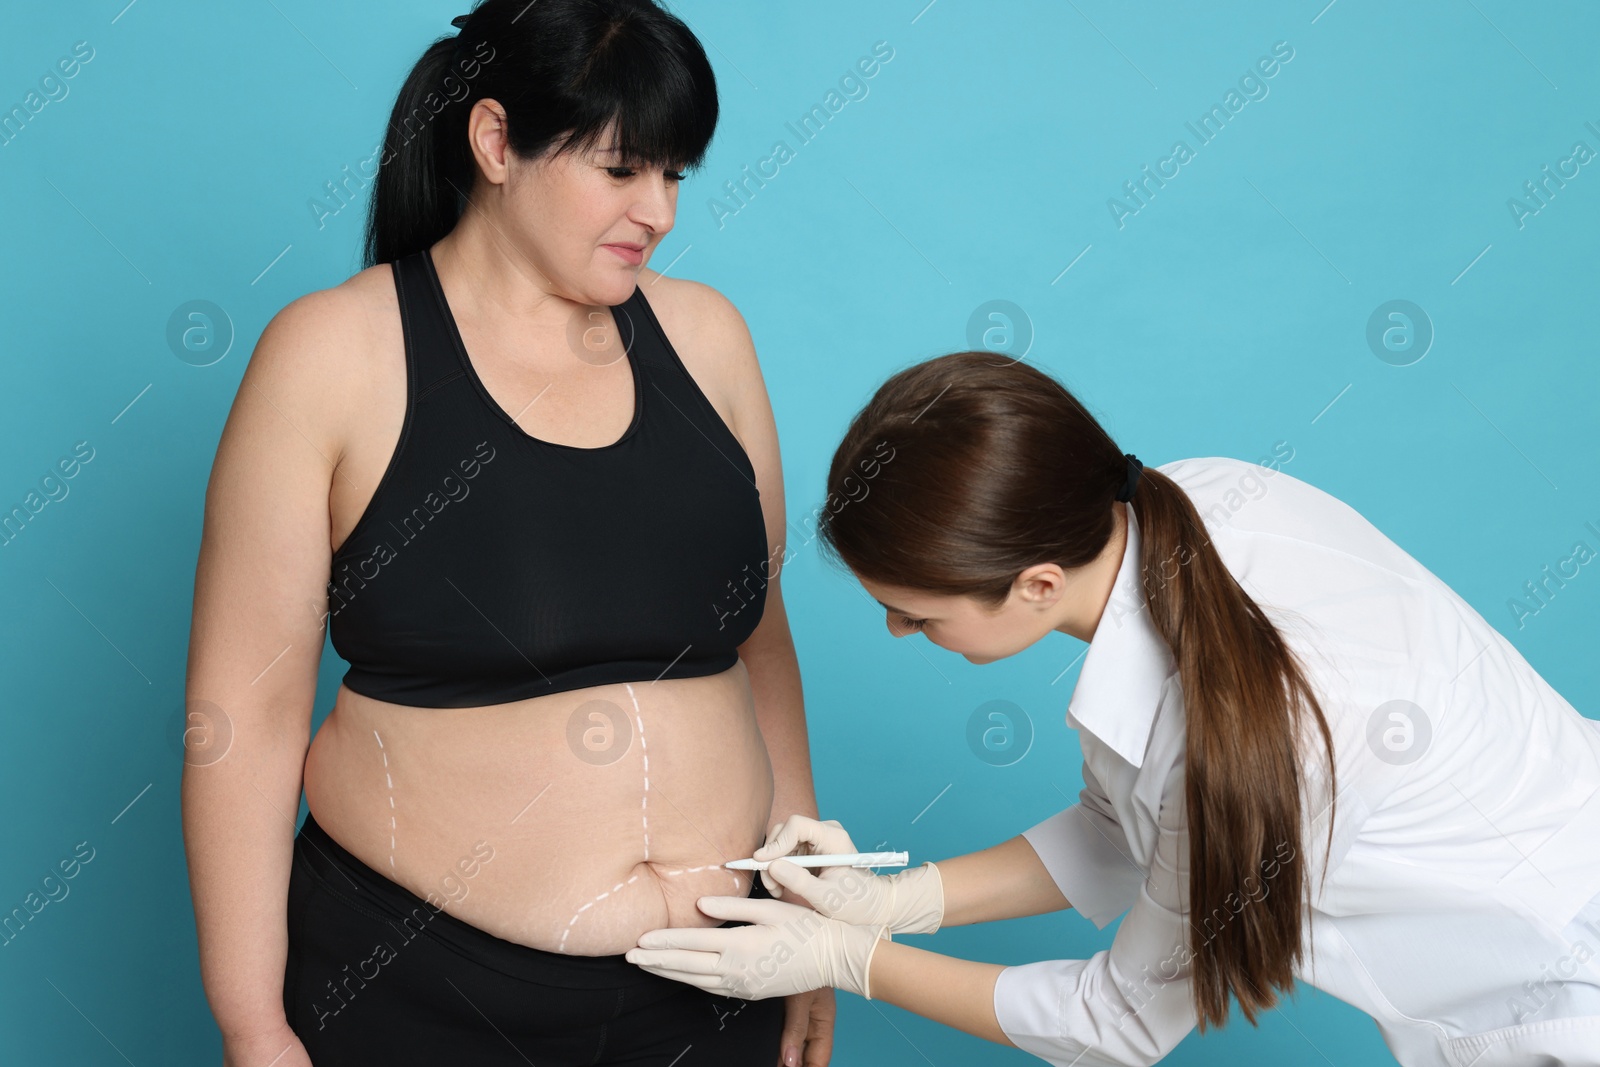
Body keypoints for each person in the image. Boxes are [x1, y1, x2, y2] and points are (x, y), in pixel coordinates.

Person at [626, 351, 1600, 1067]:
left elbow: (1116, 1022)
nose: (891, 632)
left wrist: (851, 955)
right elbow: (1133, 825)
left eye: (914, 614)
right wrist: (899, 896)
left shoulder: (1247, 738)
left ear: (1037, 583)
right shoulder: (1199, 502)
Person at [181, 3, 836, 1065]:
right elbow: (241, 720)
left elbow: (761, 646)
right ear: (495, 142)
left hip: (721, 982)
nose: (659, 210)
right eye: (624, 169)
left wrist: (818, 917)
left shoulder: (708, 338)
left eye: (676, 174)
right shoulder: (332, 354)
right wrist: (251, 1020)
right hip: (424, 991)